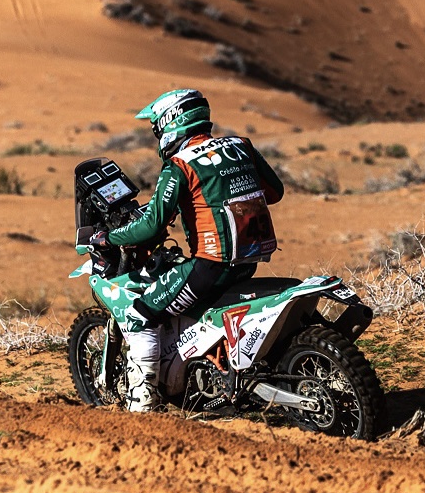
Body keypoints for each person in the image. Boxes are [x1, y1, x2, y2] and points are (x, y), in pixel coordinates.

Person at [85, 89, 285, 411]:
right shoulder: (240, 146)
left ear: (169, 124)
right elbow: (274, 192)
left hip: (212, 266)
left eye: (157, 130)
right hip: (249, 260)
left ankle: (143, 406)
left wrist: (110, 238)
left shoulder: (179, 165)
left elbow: (150, 226)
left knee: (138, 314)